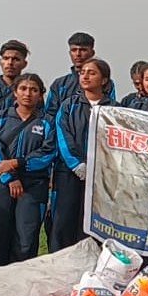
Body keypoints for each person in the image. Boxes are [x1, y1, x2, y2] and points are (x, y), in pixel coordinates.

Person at [0, 73, 56, 266]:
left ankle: (22, 285)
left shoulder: (47, 122)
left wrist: (18, 162)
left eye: (33, 90)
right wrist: (9, 177)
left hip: (33, 186)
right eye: (23, 89)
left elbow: (48, 153)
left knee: (26, 238)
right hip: (1, 184)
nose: (28, 94)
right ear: (15, 92)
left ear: (41, 95)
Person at [50, 58, 116, 252]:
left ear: (104, 80)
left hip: (101, 176)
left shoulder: (114, 108)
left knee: (93, 225)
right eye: (83, 72)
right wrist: (76, 164)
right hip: (70, 174)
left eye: (92, 73)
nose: (85, 76)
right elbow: (63, 135)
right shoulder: (68, 105)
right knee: (64, 222)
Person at [44, 32, 116, 119]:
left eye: (83, 50)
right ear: (69, 53)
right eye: (74, 50)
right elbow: (50, 114)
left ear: (92, 52)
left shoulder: (105, 82)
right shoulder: (60, 84)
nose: (78, 54)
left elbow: (110, 110)